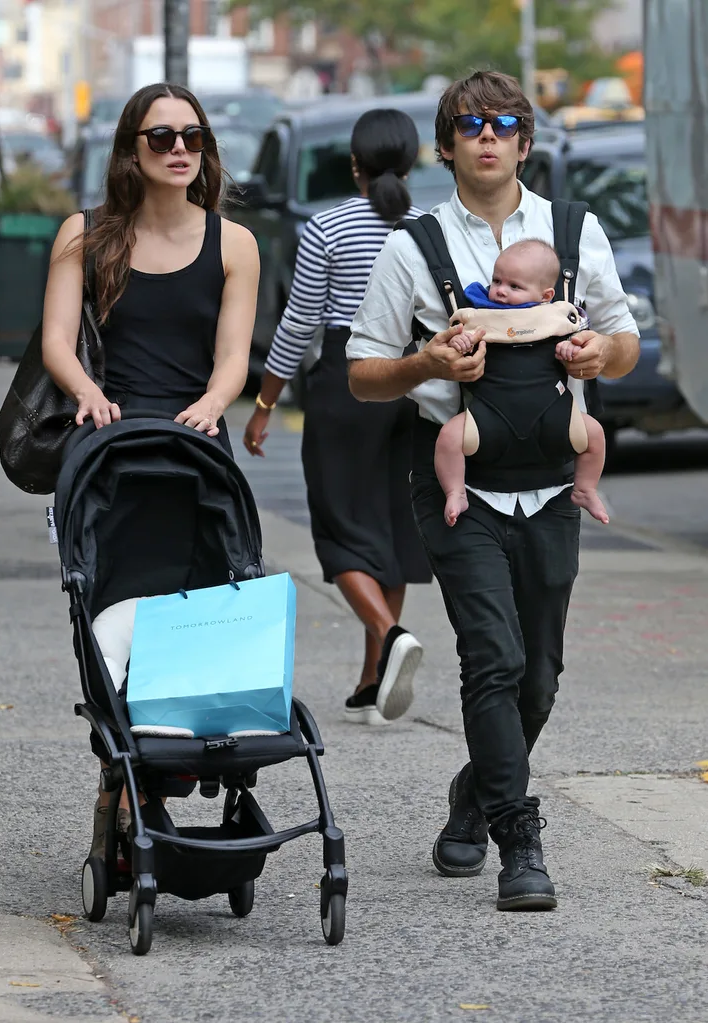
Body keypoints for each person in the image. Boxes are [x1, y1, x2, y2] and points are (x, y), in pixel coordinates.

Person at [347, 71, 639, 910]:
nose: (488, 135)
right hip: (459, 484)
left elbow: (623, 342)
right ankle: (519, 839)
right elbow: (363, 375)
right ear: (445, 145)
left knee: (539, 677)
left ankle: (474, 793)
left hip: (552, 484)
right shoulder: (414, 246)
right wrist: (425, 362)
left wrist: (597, 357)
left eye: (504, 122)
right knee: (494, 659)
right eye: (470, 124)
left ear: (524, 139)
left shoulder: (575, 233)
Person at [40, 82, 260, 855]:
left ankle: (156, 780)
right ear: (131, 148)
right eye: (161, 137)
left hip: (197, 451)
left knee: (198, 614)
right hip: (108, 447)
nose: (178, 151)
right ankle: (122, 772)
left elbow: (235, 358)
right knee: (107, 616)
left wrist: (212, 402)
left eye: (192, 138)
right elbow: (58, 341)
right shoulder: (87, 234)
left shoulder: (233, 243)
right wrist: (87, 391)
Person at [243, 108, 431, 726]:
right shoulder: (429, 229)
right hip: (413, 381)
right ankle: (375, 680)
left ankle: (388, 632)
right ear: (414, 162)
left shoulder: (326, 226)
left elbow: (298, 325)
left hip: (345, 384)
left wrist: (265, 403)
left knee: (340, 527)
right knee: (392, 525)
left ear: (354, 165)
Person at [435, 238, 609, 528]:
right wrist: (462, 340)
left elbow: (578, 347)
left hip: (554, 414)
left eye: (514, 286)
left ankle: (585, 488)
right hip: (489, 415)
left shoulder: (556, 317)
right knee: (449, 438)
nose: (500, 291)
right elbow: (457, 347)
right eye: (497, 280)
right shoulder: (479, 315)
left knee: (595, 435)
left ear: (546, 294)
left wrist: (570, 351)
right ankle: (455, 491)